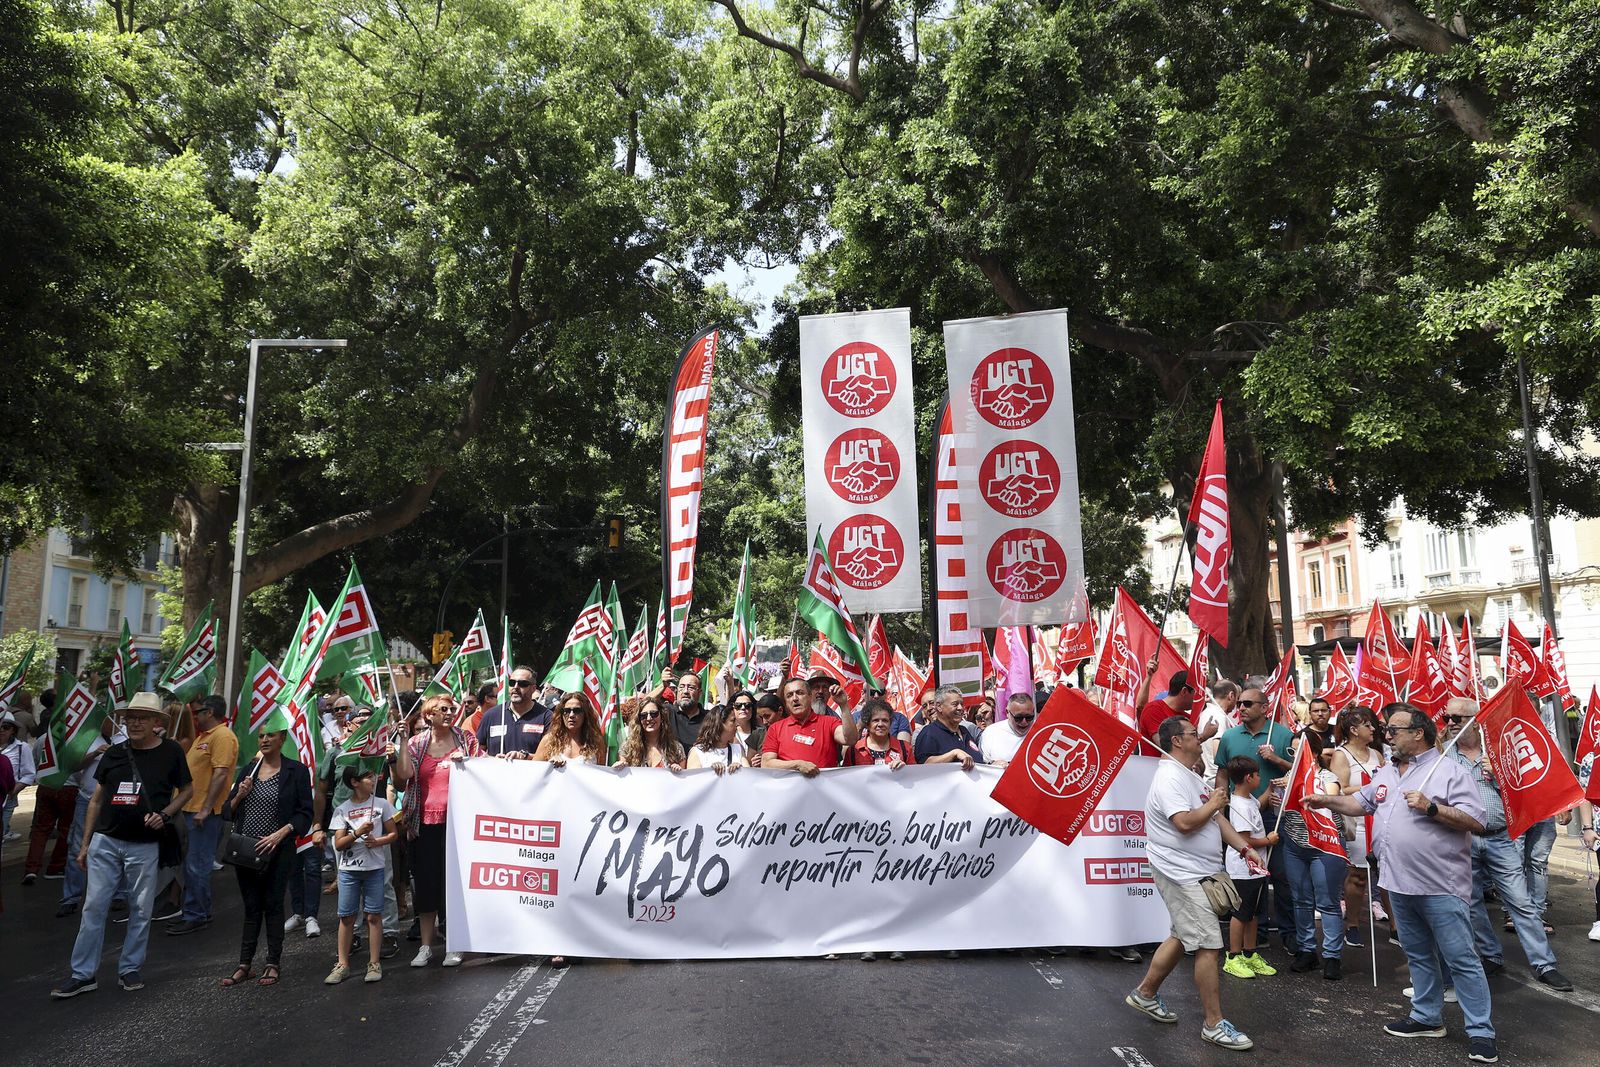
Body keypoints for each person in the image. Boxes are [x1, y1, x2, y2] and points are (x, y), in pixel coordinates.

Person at [1304, 704, 1498, 1064]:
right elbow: (1361, 803)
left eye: (1393, 730)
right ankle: (1426, 1017)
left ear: (1418, 733)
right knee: (1418, 954)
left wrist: (1432, 808)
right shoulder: (1387, 772)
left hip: (1440, 885)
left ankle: (1481, 1032)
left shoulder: (1449, 771)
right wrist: (1326, 800)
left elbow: (1476, 820)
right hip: (1397, 883)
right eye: (1386, 730)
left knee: (1461, 959)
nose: (1386, 736)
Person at [1125, 717, 1258, 1051]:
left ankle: (1145, 994)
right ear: (1176, 741)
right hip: (1180, 872)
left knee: (1182, 935)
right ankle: (1213, 1024)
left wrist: (1244, 848)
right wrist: (1214, 802)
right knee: (1209, 944)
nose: (1200, 738)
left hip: (1199, 871)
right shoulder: (1169, 778)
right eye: (1193, 734)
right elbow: (1184, 823)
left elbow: (1216, 819)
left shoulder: (1189, 774)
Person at [51, 692, 193, 998]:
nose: (135, 723)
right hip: (106, 841)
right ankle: (82, 974)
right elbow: (96, 800)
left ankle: (130, 968)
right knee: (93, 907)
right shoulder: (115, 753)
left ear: (156, 723)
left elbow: (187, 790)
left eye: (142, 718)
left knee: (140, 909)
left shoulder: (171, 752)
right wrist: (85, 843)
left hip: (144, 845)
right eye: (130, 718)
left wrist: (165, 814)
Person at [1440, 698, 1573, 991]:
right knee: (1472, 902)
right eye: (1447, 717)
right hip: (1462, 839)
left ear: (1476, 719)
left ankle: (1544, 965)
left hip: (1501, 838)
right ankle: (1490, 955)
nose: (1450, 723)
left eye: (1457, 718)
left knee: (1520, 902)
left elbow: (1526, 791)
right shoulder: (1444, 755)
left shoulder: (1500, 751)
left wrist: (1501, 776)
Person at [216, 727, 313, 988]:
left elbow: (305, 813)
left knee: (273, 904)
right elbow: (227, 812)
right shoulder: (249, 771)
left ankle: (272, 962)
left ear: (282, 739)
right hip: (246, 850)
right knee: (251, 907)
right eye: (261, 736)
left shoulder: (296, 771)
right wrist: (240, 795)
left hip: (277, 850)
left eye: (271, 735)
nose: (265, 739)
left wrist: (281, 833)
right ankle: (244, 964)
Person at [394, 694, 482, 967]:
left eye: (451, 709)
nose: (449, 713)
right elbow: (404, 776)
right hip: (424, 825)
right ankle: (425, 946)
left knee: (454, 885)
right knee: (426, 885)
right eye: (443, 709)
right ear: (429, 715)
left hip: (458, 824)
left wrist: (467, 761)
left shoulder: (465, 740)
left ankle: (455, 944)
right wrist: (403, 741)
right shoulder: (417, 743)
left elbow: (483, 769)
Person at [1279, 731, 1348, 979]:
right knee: (1300, 900)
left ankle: (1332, 956)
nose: (1295, 756)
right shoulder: (1288, 776)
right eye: (1292, 751)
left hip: (1325, 847)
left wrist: (1300, 791)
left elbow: (1330, 799)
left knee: (1328, 902)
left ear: (1314, 753)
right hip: (1295, 845)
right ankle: (1307, 950)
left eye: (1300, 751)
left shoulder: (1327, 777)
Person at [166, 695, 237, 935]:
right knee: (193, 865)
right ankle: (197, 912)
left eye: (198, 712)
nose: (195, 716)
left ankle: (195, 915)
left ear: (210, 712)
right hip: (191, 809)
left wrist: (206, 808)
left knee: (197, 865)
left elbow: (220, 773)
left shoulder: (223, 736)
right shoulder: (204, 737)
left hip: (204, 813)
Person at [325, 766, 399, 985]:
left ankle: (374, 963)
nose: (373, 779)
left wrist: (377, 841)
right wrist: (357, 832)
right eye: (368, 777)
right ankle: (342, 964)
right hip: (349, 871)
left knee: (373, 916)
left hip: (374, 869)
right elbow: (339, 844)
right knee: (346, 917)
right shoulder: (342, 809)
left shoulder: (382, 804)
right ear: (354, 782)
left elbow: (393, 834)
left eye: (373, 776)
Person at [1331, 705, 1386, 948]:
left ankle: (1396, 927)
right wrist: (1372, 786)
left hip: (1379, 820)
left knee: (1387, 874)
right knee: (1358, 876)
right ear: (1354, 730)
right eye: (1367, 725)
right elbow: (1339, 788)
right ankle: (1352, 925)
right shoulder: (1341, 755)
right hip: (1356, 823)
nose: (1373, 728)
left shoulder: (1377, 754)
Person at [1220, 757, 1279, 981]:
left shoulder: (1247, 799)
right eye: (1257, 775)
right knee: (1241, 913)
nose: (1260, 778)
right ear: (1248, 778)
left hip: (1255, 869)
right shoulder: (1239, 806)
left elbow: (1258, 805)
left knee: (1252, 913)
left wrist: (1270, 790)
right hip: (1243, 869)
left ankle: (1249, 952)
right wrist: (1268, 841)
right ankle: (1233, 956)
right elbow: (1243, 840)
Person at [57, 715, 113, 918]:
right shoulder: (87, 738)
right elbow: (72, 766)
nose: (107, 720)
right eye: (105, 717)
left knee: (116, 848)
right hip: (86, 798)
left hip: (114, 802)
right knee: (78, 847)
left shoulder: (126, 737)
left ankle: (118, 894)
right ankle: (71, 898)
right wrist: (95, 753)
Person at [761, 676, 859, 776]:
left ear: (810, 696)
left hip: (824, 785)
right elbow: (766, 764)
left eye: (800, 693)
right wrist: (797, 765)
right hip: (789, 786)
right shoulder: (775, 729)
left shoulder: (830, 722)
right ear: (786, 702)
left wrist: (843, 705)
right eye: (789, 695)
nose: (795, 698)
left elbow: (850, 739)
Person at [24, 704, 76, 884]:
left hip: (45, 787)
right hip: (69, 788)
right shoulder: (75, 741)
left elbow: (36, 762)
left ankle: (31, 868)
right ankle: (55, 866)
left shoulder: (42, 739)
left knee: (40, 829)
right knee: (65, 829)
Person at [475, 666, 552, 759]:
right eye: (512, 683)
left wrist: (525, 756)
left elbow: (551, 755)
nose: (515, 687)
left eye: (522, 684)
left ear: (533, 688)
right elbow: (477, 752)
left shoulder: (547, 717)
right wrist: (492, 759)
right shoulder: (491, 715)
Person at [1135, 660, 1215, 745]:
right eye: (1197, 693)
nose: (1200, 698)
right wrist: (1203, 736)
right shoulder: (1154, 710)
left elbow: (1191, 749)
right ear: (1184, 691)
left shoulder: (1188, 719)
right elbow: (1165, 746)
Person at [912, 686, 984, 770]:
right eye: (955, 704)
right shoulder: (928, 733)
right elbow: (923, 767)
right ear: (939, 707)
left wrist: (993, 765)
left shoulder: (965, 731)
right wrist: (953, 754)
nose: (960, 708)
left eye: (961, 704)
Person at [532, 694, 607, 765]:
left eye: (577, 711)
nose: (571, 715)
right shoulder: (549, 740)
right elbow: (535, 770)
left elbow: (601, 771)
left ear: (586, 714)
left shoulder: (596, 742)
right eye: (566, 711)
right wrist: (549, 765)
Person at [614, 697, 686, 769]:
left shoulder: (676, 748)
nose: (649, 718)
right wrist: (619, 766)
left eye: (654, 714)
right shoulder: (628, 747)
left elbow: (684, 774)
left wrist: (678, 770)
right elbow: (622, 771)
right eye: (643, 715)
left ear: (662, 717)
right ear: (639, 719)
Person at [845, 698, 915, 768]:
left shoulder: (905, 748)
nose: (880, 724)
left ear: (890, 723)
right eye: (875, 720)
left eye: (885, 720)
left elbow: (914, 773)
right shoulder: (854, 750)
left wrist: (905, 769)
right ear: (867, 724)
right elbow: (846, 773)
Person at [2, 712, 36, 844]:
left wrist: (13, 791)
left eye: (6, 727)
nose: (2, 730)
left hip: (7, 798)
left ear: (13, 730)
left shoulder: (22, 748)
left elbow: (29, 774)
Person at [979, 693, 1037, 767]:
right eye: (1018, 718)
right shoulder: (990, 733)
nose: (1024, 722)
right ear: (1007, 713)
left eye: (1029, 717)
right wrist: (993, 765)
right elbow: (982, 765)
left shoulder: (1043, 731)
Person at [687, 706, 749, 773]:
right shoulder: (698, 752)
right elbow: (693, 777)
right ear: (719, 724)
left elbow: (749, 775)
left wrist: (741, 770)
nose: (737, 724)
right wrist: (710, 771)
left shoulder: (738, 749)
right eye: (733, 720)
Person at [667, 670, 709, 750]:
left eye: (691, 687)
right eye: (681, 687)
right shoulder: (667, 713)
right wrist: (662, 686)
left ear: (699, 693)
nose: (685, 691)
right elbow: (644, 707)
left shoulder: (709, 718)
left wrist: (729, 684)